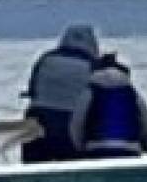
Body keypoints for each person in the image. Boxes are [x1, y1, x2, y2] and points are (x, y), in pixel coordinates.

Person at [21, 24, 100, 163]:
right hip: (71, 123)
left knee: (32, 167)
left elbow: (33, 90)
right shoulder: (92, 64)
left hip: (37, 120)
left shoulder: (46, 58)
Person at [70, 52, 147, 158]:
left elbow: (76, 124)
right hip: (129, 149)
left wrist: (80, 148)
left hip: (96, 149)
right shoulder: (131, 92)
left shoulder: (90, 91)